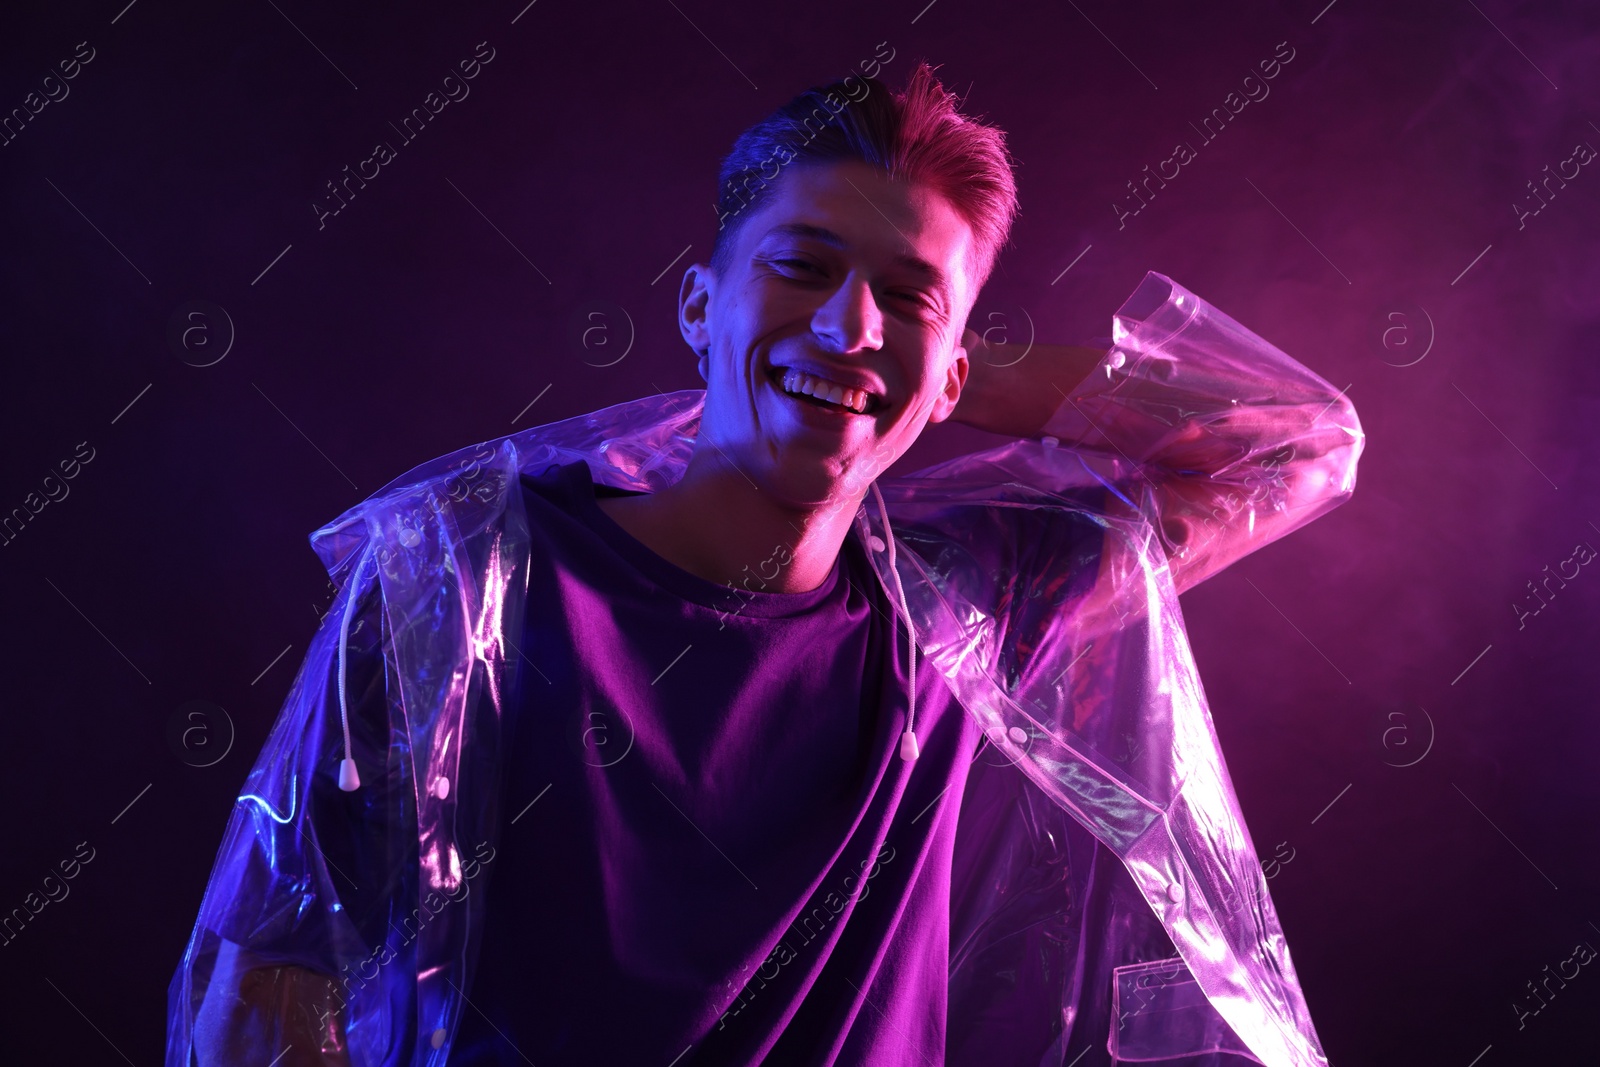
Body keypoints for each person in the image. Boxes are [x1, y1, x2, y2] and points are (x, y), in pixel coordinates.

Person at [168, 61, 1362, 1066]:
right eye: (799, 268)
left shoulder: (956, 611)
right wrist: (892, 351)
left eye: (902, 294)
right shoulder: (471, 575)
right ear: (699, 306)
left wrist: (924, 370)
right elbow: (265, 984)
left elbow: (1300, 446)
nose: (848, 320)